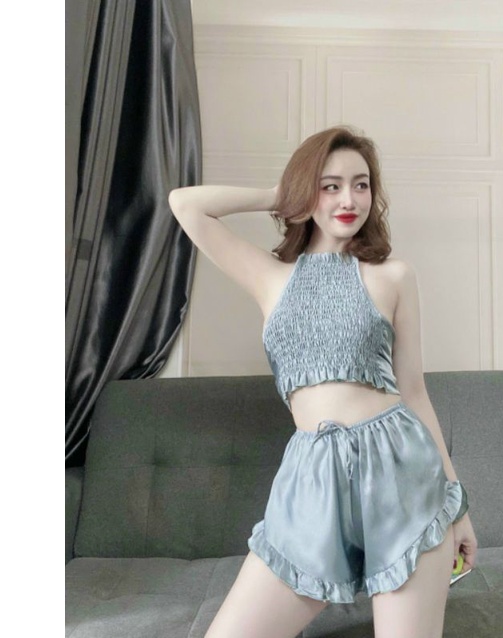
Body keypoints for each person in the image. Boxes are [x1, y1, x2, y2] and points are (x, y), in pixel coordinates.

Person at [168, 125, 478, 638]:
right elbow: (185, 204)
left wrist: (458, 505)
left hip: (401, 474)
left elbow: (414, 393)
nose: (348, 199)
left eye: (361, 184)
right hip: (311, 480)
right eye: (330, 186)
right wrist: (284, 194)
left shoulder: (394, 276)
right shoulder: (270, 276)